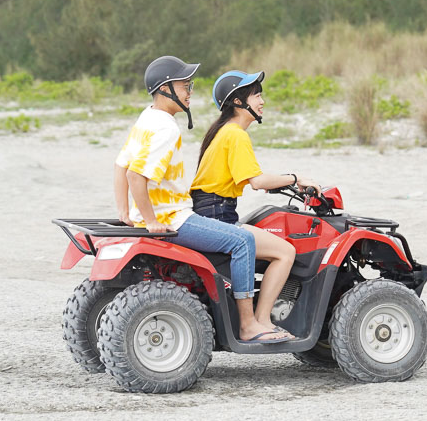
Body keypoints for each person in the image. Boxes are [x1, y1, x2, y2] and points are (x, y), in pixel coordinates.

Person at [114, 56, 290, 343]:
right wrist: (150, 221)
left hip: (175, 211)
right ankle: (249, 324)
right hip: (174, 217)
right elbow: (135, 175)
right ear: (166, 89)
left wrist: (126, 212)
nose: (190, 91)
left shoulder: (147, 118)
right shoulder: (167, 128)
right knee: (242, 241)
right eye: (185, 85)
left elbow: (120, 165)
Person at [190, 70, 320, 337]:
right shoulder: (235, 134)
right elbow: (257, 181)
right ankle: (259, 322)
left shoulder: (223, 132)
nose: (262, 101)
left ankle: (260, 320)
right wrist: (295, 178)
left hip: (213, 210)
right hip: (218, 216)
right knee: (285, 252)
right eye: (256, 94)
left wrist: (285, 181)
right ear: (238, 102)